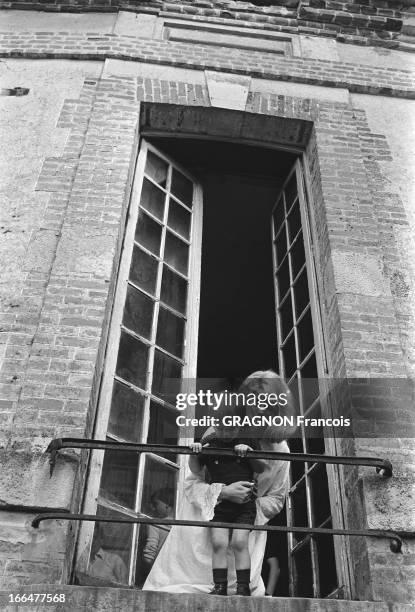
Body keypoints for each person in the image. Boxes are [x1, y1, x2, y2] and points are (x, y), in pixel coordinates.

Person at [143, 370, 294, 596]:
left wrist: (248, 506)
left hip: (244, 537)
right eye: (252, 400)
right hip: (204, 532)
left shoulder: (281, 451)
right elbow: (191, 483)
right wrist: (223, 493)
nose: (259, 408)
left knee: (239, 595)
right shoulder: (220, 432)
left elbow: (277, 499)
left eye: (266, 402)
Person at [188, 415, 267, 596]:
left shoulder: (248, 440)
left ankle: (243, 587)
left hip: (244, 505)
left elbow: (262, 467)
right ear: (214, 425)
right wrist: (195, 453)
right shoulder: (211, 443)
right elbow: (196, 469)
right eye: (221, 428)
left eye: (230, 428)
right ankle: (220, 586)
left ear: (239, 426)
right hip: (220, 505)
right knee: (218, 543)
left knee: (240, 542)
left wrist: (249, 451)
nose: (225, 433)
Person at [142, 489, 174, 571]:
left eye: (155, 504)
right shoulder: (185, 524)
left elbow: (148, 557)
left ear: (167, 504)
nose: (153, 508)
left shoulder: (156, 524)